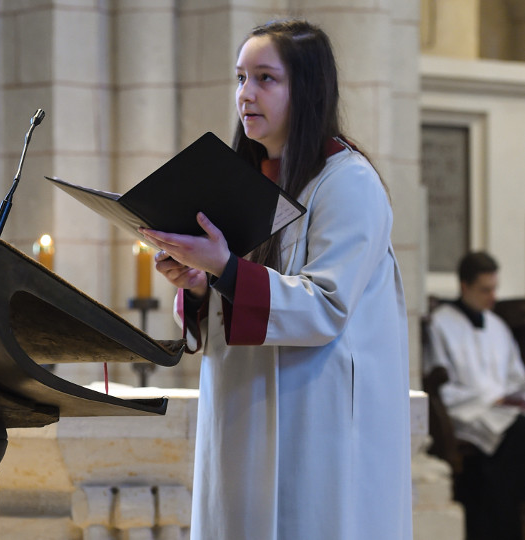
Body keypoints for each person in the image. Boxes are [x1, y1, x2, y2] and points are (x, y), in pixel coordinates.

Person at [139, 19, 412, 540]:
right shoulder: (247, 182)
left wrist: (223, 268)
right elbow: (232, 295)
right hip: (246, 412)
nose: (246, 94)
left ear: (306, 89)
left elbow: (326, 303)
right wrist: (198, 283)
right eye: (241, 78)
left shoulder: (347, 182)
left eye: (265, 78)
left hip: (315, 423)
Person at [425, 251, 525, 540]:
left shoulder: (497, 326)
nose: (493, 297)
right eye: (485, 289)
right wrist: (492, 399)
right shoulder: (441, 324)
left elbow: (516, 377)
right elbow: (442, 387)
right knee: (518, 434)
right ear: (464, 286)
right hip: (466, 412)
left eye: (495, 288)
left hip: (501, 410)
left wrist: (510, 398)